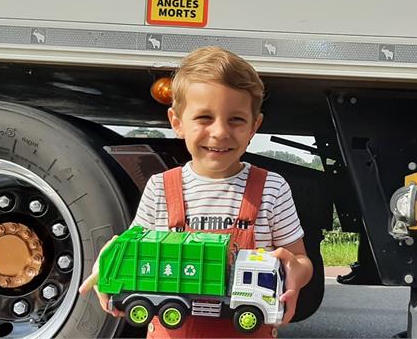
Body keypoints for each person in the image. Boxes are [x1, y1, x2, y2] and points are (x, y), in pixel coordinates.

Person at [79, 46, 313, 338]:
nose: (219, 132)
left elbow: (300, 260)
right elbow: (132, 247)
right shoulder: (160, 189)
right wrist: (108, 259)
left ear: (255, 126)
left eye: (236, 120)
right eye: (204, 118)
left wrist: (295, 272)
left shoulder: (272, 189)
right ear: (177, 122)